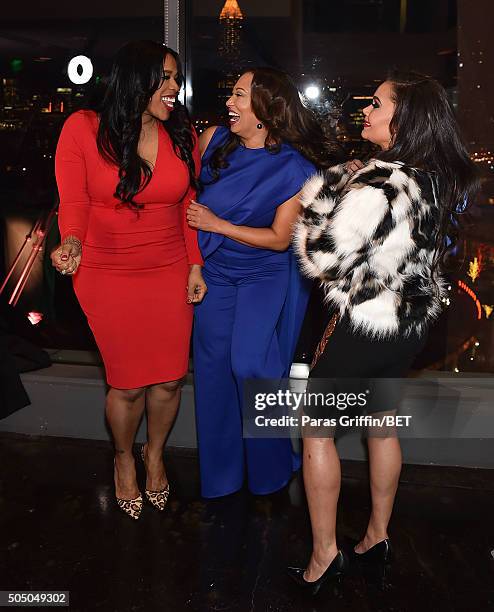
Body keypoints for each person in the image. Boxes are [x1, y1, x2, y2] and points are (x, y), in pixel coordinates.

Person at [289, 72, 478, 594]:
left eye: (376, 104)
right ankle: (377, 537)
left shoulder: (379, 184)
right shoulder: (438, 180)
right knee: (382, 426)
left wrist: (324, 191)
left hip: (360, 327)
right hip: (406, 329)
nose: (365, 112)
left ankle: (324, 557)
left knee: (317, 433)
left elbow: (320, 255)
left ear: (404, 118)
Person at [51, 40, 206, 520]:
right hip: (106, 272)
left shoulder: (182, 133)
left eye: (177, 78)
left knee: (168, 381)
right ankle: (123, 458)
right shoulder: (83, 128)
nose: (175, 88)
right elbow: (73, 200)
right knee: (127, 385)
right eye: (166, 77)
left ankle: (154, 455)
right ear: (135, 79)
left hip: (169, 269)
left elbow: (189, 208)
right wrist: (72, 242)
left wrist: (196, 264)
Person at [186, 67, 340, 498]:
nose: (229, 104)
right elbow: (184, 200)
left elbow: (277, 240)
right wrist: (194, 262)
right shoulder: (212, 140)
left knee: (250, 366)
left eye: (239, 96)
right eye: (231, 94)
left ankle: (273, 470)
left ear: (264, 111)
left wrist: (218, 223)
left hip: (262, 275)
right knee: (214, 372)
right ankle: (222, 477)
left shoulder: (295, 169)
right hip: (214, 272)